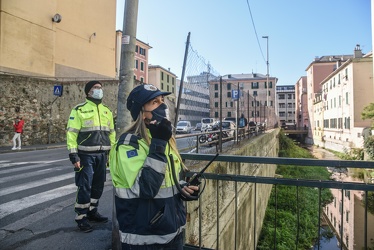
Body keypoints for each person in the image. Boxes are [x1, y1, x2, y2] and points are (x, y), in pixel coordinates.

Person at [109, 84, 199, 249]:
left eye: (162, 101)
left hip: (173, 231)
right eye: (155, 102)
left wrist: (183, 188)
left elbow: (165, 181)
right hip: (145, 239)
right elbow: (145, 189)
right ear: (141, 113)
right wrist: (158, 144)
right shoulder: (128, 145)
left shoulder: (163, 139)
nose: (163, 106)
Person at [66, 80, 116, 232]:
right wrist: (74, 155)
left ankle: (92, 211)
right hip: (85, 155)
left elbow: (112, 134)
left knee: (98, 185)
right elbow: (71, 133)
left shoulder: (106, 110)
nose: (99, 90)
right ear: (88, 91)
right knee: (84, 186)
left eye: (100, 87)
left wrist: (112, 154)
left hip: (102, 155)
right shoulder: (79, 109)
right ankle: (81, 217)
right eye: (95, 87)